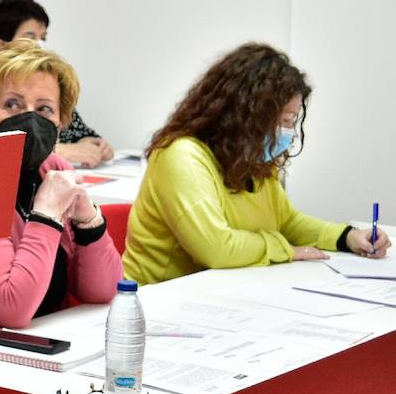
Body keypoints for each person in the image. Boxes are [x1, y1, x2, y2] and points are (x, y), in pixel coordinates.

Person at [123, 43, 390, 285]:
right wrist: (282, 248)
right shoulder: (181, 156)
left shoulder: (250, 158)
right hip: (157, 302)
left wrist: (347, 237)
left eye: (292, 121)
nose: (288, 132)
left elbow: (286, 222)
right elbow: (216, 248)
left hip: (225, 294)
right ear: (244, 114)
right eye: (283, 120)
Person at [0, 39, 122, 340]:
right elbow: (10, 309)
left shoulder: (55, 171)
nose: (29, 118)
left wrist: (88, 221)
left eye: (44, 108)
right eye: (12, 104)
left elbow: (103, 291)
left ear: (61, 122)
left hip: (49, 341)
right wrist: (47, 215)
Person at [0, 0, 114, 167]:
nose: (39, 45)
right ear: (0, 47)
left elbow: (78, 132)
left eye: (43, 38)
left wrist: (95, 145)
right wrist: (60, 150)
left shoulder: (47, 84)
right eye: (30, 37)